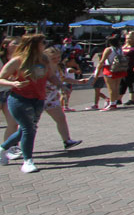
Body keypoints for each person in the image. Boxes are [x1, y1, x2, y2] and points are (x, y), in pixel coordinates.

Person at [0, 34, 51, 173]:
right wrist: (13, 83)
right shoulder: (17, 60)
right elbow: (1, 78)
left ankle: (2, 149)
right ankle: (28, 161)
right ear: (33, 45)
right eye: (43, 42)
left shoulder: (44, 59)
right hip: (19, 98)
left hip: (38, 99)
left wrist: (62, 84)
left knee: (27, 129)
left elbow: (51, 75)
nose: (45, 45)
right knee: (29, 129)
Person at [41, 47, 83, 149]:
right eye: (53, 57)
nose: (57, 59)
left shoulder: (59, 67)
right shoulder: (42, 67)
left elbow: (63, 78)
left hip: (52, 98)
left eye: (58, 57)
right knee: (29, 124)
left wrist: (78, 82)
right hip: (39, 97)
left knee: (61, 118)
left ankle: (67, 141)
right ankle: (15, 145)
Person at [95, 34, 128, 111]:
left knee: (111, 88)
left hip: (110, 69)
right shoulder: (120, 49)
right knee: (116, 87)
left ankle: (112, 103)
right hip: (119, 69)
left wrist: (98, 68)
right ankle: (114, 102)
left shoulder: (108, 49)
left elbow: (102, 61)